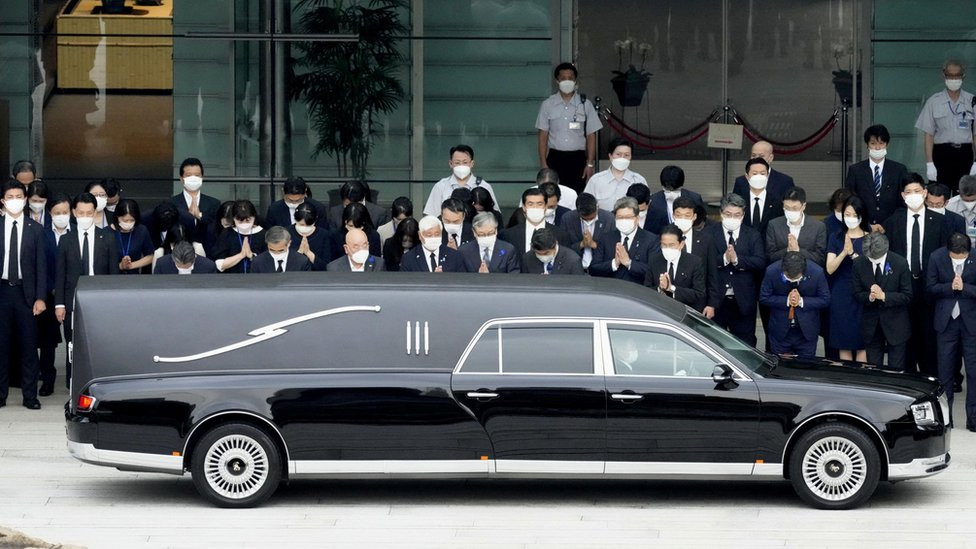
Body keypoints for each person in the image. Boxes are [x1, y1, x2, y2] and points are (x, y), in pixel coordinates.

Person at [882, 174, 948, 376]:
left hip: (929, 287)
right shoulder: (894, 221)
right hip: (903, 287)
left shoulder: (939, 221)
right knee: (904, 339)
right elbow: (888, 256)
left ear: (925, 193)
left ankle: (931, 380)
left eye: (917, 191)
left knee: (929, 339)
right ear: (902, 196)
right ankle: (908, 380)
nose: (913, 196)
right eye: (909, 192)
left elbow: (944, 254)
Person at [54, 192, 120, 385]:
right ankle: (71, 383)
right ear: (74, 212)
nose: (85, 216)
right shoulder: (66, 239)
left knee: (98, 344)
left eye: (88, 213)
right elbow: (60, 274)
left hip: (100, 301)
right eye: (81, 213)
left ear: (95, 213)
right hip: (72, 299)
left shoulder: (107, 237)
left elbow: (113, 274)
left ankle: (97, 382)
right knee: (72, 345)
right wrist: (59, 304)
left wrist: (113, 302)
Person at [0, 179, 47, 409]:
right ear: (2, 201)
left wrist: (40, 297)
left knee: (29, 347)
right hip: (1, 292)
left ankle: (30, 396)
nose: (15, 201)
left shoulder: (35, 229)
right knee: (1, 346)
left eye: (19, 197)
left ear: (26, 200)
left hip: (25, 294)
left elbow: (41, 267)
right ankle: (1, 394)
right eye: (10, 197)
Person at [926, 232, 976, 430]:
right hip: (946, 323)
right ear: (948, 252)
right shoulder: (936, 257)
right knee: (945, 372)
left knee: (973, 372)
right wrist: (950, 287)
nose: (959, 260)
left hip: (971, 323)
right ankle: (946, 418)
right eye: (955, 257)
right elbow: (930, 288)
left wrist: (965, 288)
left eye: (962, 256)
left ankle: (973, 418)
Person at [708, 193, 766, 346]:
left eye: (737, 215)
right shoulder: (709, 233)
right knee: (715, 343)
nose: (732, 218)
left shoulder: (753, 235)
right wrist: (725, 259)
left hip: (743, 301)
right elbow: (703, 262)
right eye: (728, 214)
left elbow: (760, 261)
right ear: (721, 213)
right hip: (717, 300)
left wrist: (737, 260)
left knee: (745, 344)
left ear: (743, 215)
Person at [536, 62, 602, 194]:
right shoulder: (548, 105)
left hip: (578, 159)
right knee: (551, 194)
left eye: (570, 78)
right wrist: (543, 164)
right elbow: (543, 136)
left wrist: (590, 163)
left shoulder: (585, 105)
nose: (567, 81)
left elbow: (591, 136)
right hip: (555, 157)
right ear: (557, 81)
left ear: (575, 80)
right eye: (563, 78)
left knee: (576, 194)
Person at [853, 232, 913, 372]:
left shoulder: (900, 263)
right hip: (871, 325)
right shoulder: (859, 263)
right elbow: (856, 293)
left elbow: (907, 296)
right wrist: (870, 297)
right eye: (870, 258)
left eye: (876, 258)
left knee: (896, 369)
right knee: (874, 368)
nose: (873, 260)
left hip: (896, 324)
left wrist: (884, 296)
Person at [915, 59, 976, 194]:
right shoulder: (933, 101)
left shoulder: (972, 101)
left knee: (966, 194)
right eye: (950, 76)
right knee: (940, 195)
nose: (954, 79)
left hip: (965, 154)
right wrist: (930, 164)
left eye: (957, 75)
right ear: (943, 76)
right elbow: (929, 136)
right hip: (942, 154)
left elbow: (975, 135)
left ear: (963, 76)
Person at [759, 251, 831, 358]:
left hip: (806, 333)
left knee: (805, 368)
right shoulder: (772, 271)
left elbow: (825, 299)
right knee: (780, 369)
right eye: (789, 278)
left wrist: (801, 301)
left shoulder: (817, 272)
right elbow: (764, 297)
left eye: (796, 278)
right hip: (780, 332)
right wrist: (787, 300)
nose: (792, 281)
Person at [826, 195, 869, 362]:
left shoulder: (870, 237)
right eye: (847, 214)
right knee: (843, 342)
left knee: (861, 343)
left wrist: (852, 254)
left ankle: (863, 382)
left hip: (862, 294)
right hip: (841, 293)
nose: (850, 219)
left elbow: (869, 270)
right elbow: (830, 268)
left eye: (854, 215)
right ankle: (847, 380)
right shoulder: (836, 237)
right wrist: (844, 252)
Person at [843, 124, 910, 228]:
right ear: (867, 145)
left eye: (881, 143)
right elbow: (850, 201)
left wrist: (887, 225)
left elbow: (903, 202)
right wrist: (867, 225)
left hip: (892, 228)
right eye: (873, 143)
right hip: (863, 227)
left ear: (887, 145)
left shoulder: (899, 170)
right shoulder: (856, 170)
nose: (877, 147)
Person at [36, 193, 70, 396]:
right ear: (50, 213)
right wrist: (51, 287)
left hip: (71, 293)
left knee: (73, 340)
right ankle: (47, 380)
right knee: (47, 342)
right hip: (49, 295)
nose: (61, 216)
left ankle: (72, 379)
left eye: (65, 212)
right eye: (57, 213)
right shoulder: (42, 234)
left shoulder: (76, 232)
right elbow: (39, 265)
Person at [589, 197, 659, 285]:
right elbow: (593, 269)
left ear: (637, 218)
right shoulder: (606, 238)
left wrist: (629, 263)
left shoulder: (651, 240)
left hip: (638, 293)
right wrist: (614, 263)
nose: (624, 221)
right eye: (620, 217)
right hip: (610, 291)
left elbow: (654, 272)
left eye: (628, 217)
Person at [672, 197, 719, 318]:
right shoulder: (663, 239)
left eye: (687, 215)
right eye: (679, 215)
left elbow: (712, 273)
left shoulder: (706, 240)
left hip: (699, 303)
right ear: (673, 216)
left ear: (694, 217)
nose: (683, 219)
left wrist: (711, 304)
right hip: (671, 301)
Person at [423, 144, 497, 217]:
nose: (461, 166)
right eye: (457, 163)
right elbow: (432, 217)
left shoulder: (484, 186)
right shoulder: (440, 187)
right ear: (451, 164)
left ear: (472, 163)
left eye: (465, 162)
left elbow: (495, 215)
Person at [646, 224, 706, 310]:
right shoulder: (654, 260)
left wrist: (671, 288)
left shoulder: (694, 262)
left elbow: (699, 293)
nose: (667, 249)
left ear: (681, 244)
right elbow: (647, 288)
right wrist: (660, 289)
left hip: (685, 311)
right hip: (660, 310)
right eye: (664, 245)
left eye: (671, 245)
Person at [733, 156, 792, 242]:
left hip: (769, 249)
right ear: (747, 176)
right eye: (754, 173)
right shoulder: (739, 201)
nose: (759, 176)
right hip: (744, 247)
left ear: (767, 176)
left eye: (762, 173)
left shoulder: (777, 202)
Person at [765, 187, 827, 267]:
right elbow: (770, 256)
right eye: (787, 208)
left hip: (808, 272)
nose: (790, 211)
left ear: (803, 206)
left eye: (795, 208)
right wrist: (788, 250)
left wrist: (798, 250)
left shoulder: (818, 227)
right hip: (781, 271)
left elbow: (820, 259)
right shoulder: (774, 225)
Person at [169, 157, 220, 254]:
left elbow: (216, 229)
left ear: (202, 178)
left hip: (207, 255)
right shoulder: (172, 203)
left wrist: (199, 215)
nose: (193, 178)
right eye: (188, 175)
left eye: (197, 175)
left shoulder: (214, 203)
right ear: (181, 179)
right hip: (179, 254)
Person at [582, 137, 648, 211]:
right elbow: (585, 205)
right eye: (618, 154)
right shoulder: (596, 180)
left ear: (631, 157)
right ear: (610, 156)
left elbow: (645, 207)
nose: (622, 158)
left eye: (626, 155)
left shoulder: (639, 180)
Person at [499, 187, 570, 253]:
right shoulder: (508, 235)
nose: (535, 208)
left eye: (539, 204)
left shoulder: (561, 235)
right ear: (524, 207)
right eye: (530, 204)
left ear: (545, 207)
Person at [559, 192, 613, 271]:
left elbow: (612, 248)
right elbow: (563, 248)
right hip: (575, 269)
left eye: (592, 218)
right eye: (585, 219)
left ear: (597, 207)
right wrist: (581, 244)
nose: (589, 221)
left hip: (600, 269)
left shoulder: (609, 219)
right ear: (578, 212)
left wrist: (593, 244)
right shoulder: (567, 218)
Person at [644, 165, 705, 234]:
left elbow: (701, 224)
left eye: (675, 189)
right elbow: (649, 230)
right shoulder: (653, 201)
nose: (671, 192)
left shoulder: (694, 198)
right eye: (667, 189)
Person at [212, 200, 266, 273]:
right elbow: (219, 264)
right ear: (234, 219)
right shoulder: (227, 233)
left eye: (248, 220)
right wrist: (241, 255)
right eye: (240, 221)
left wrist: (251, 256)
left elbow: (266, 264)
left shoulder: (262, 234)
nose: (244, 224)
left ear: (254, 218)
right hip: (231, 279)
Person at [399, 215, 465, 272]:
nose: (433, 238)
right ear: (420, 235)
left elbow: (462, 282)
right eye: (429, 235)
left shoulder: (454, 256)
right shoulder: (409, 259)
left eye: (437, 234)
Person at [110, 200, 154, 275]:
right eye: (125, 220)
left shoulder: (141, 230)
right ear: (117, 217)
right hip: (112, 277)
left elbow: (150, 256)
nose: (128, 223)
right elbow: (101, 262)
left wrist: (131, 265)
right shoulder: (107, 232)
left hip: (134, 277)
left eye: (132, 220)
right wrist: (120, 266)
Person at [287, 203, 333, 271]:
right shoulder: (286, 233)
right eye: (301, 224)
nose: (305, 228)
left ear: (315, 220)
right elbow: (285, 266)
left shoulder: (324, 235)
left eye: (308, 225)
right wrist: (299, 253)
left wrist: (309, 253)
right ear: (295, 219)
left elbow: (327, 266)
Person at [520, 227, 585, 275]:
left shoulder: (572, 260)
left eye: (546, 253)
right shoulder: (527, 259)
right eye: (538, 254)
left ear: (555, 244)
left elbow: (578, 287)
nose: (542, 256)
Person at [153, 241, 217, 274]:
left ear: (194, 258)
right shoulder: (161, 264)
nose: (183, 268)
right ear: (173, 258)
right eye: (179, 266)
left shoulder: (209, 267)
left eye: (186, 267)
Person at [947, 175, 976, 245]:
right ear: (959, 192)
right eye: (965, 200)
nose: (969, 203)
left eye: (973, 200)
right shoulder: (950, 206)